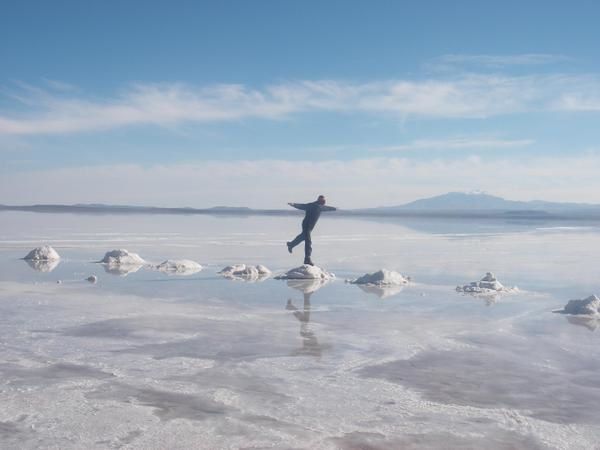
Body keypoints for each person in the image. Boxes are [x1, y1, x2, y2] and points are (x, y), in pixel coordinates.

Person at [286, 195, 336, 266]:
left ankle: (291, 244)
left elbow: (327, 208)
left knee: (302, 237)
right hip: (306, 225)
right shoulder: (312, 205)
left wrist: (334, 208)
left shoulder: (321, 207)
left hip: (310, 226)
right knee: (308, 241)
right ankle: (307, 259)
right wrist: (294, 204)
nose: (324, 202)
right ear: (319, 200)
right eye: (323, 201)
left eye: (324, 201)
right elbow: (302, 206)